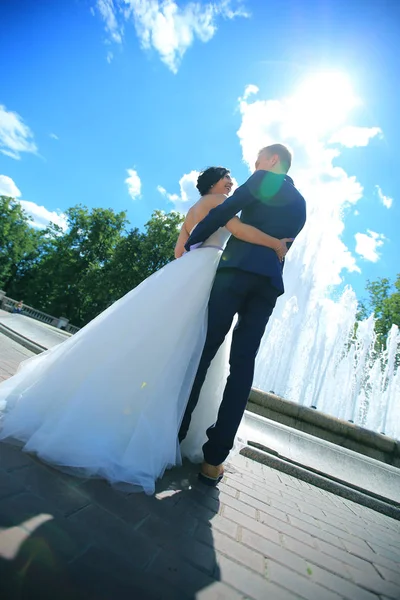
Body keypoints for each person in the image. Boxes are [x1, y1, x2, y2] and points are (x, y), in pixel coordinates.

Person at [0, 166, 290, 495]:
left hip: (187, 271)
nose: (232, 185)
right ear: (212, 183)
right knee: (192, 350)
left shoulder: (193, 211)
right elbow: (239, 232)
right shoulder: (216, 202)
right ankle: (170, 431)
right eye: (227, 180)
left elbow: (180, 250)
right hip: (210, 271)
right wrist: (275, 244)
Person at [179, 144, 307, 486]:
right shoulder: (302, 205)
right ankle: (214, 460)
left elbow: (227, 211)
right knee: (242, 366)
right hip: (267, 287)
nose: (254, 165)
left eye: (259, 159)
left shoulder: (265, 179)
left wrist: (193, 245)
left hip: (235, 273)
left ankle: (177, 430)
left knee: (205, 350)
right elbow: (283, 247)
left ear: (273, 161)